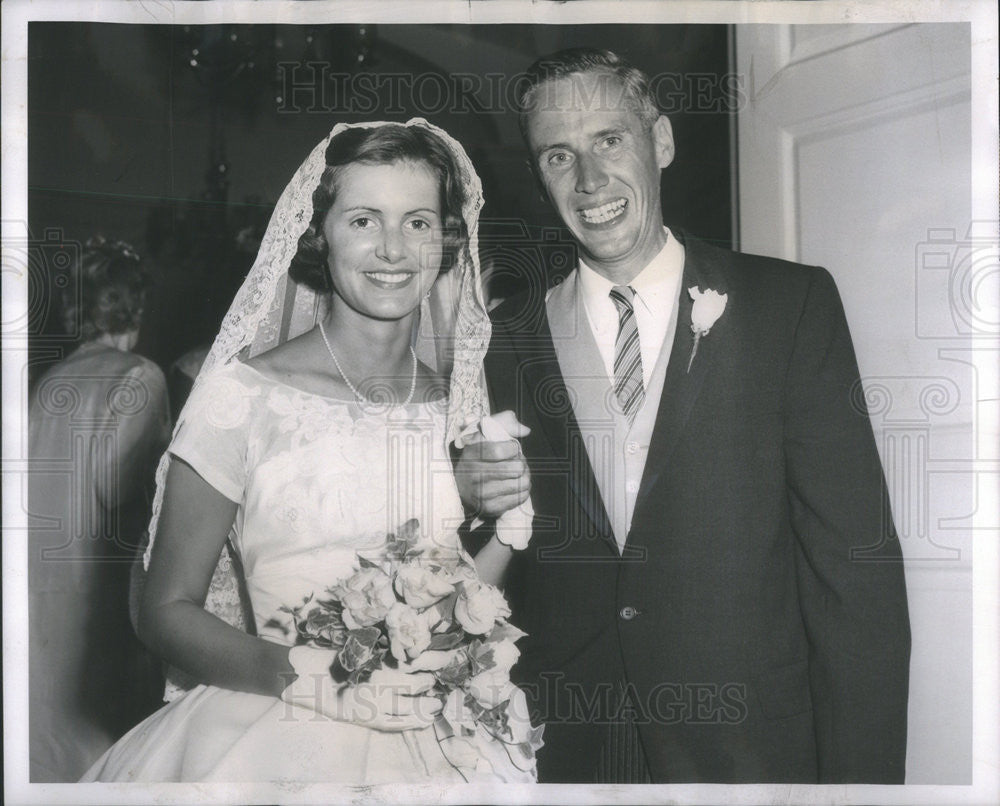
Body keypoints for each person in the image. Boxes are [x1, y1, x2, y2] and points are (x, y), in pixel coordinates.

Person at [455, 48, 911, 784]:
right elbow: (487, 577)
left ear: (660, 142)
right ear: (538, 177)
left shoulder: (787, 308)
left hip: (751, 751)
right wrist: (469, 500)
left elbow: (854, 573)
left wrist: (865, 785)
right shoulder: (502, 343)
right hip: (571, 749)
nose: (590, 180)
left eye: (610, 140)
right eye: (558, 156)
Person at [80, 119, 535, 783]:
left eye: (417, 222)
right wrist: (321, 681)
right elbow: (164, 610)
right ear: (320, 234)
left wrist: (509, 524)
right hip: (273, 728)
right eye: (362, 221)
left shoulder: (458, 407)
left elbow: (464, 602)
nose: (392, 249)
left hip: (433, 736)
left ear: (447, 238)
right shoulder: (242, 395)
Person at [28, 238, 170, 781]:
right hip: (99, 599)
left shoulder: (49, 382)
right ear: (133, 306)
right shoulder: (138, 375)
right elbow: (123, 495)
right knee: (103, 756)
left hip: (41, 595)